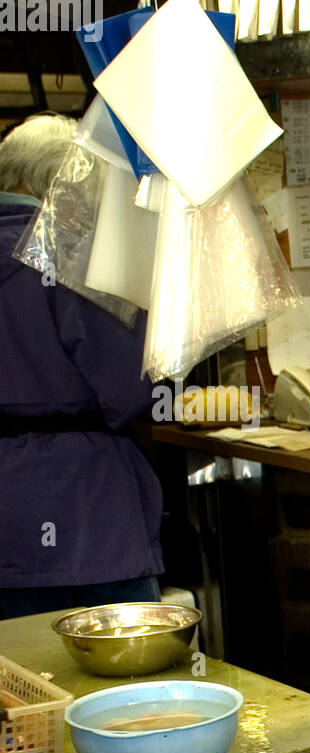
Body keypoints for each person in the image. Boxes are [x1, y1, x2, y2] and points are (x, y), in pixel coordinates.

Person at [0, 113, 164, 619]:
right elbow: (131, 390)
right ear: (61, 184)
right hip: (87, 512)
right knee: (120, 682)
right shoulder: (68, 254)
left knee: (19, 684)